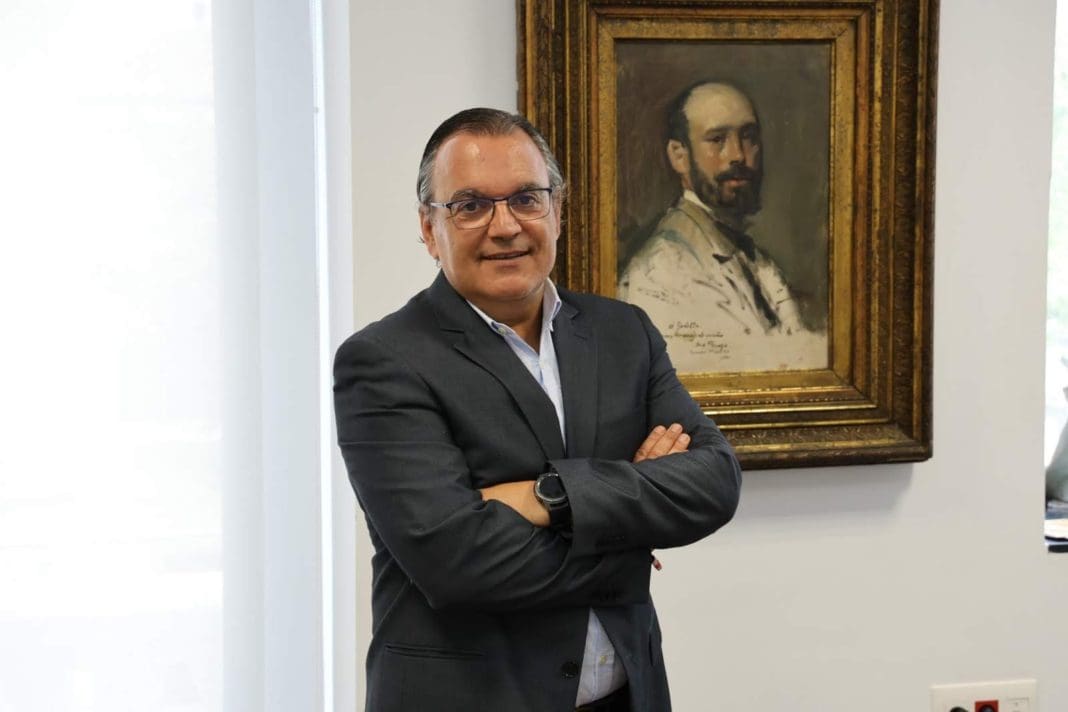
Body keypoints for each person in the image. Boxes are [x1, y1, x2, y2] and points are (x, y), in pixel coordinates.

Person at [333, 107, 741, 712]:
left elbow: (713, 481)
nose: (505, 226)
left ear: (557, 210)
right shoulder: (383, 361)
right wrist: (628, 545)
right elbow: (456, 563)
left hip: (628, 695)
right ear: (428, 228)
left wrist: (548, 496)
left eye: (526, 198)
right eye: (471, 205)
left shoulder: (623, 332)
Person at [617, 81, 827, 373]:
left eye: (748, 136)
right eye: (717, 139)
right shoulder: (660, 273)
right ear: (679, 156)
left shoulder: (756, 260)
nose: (738, 154)